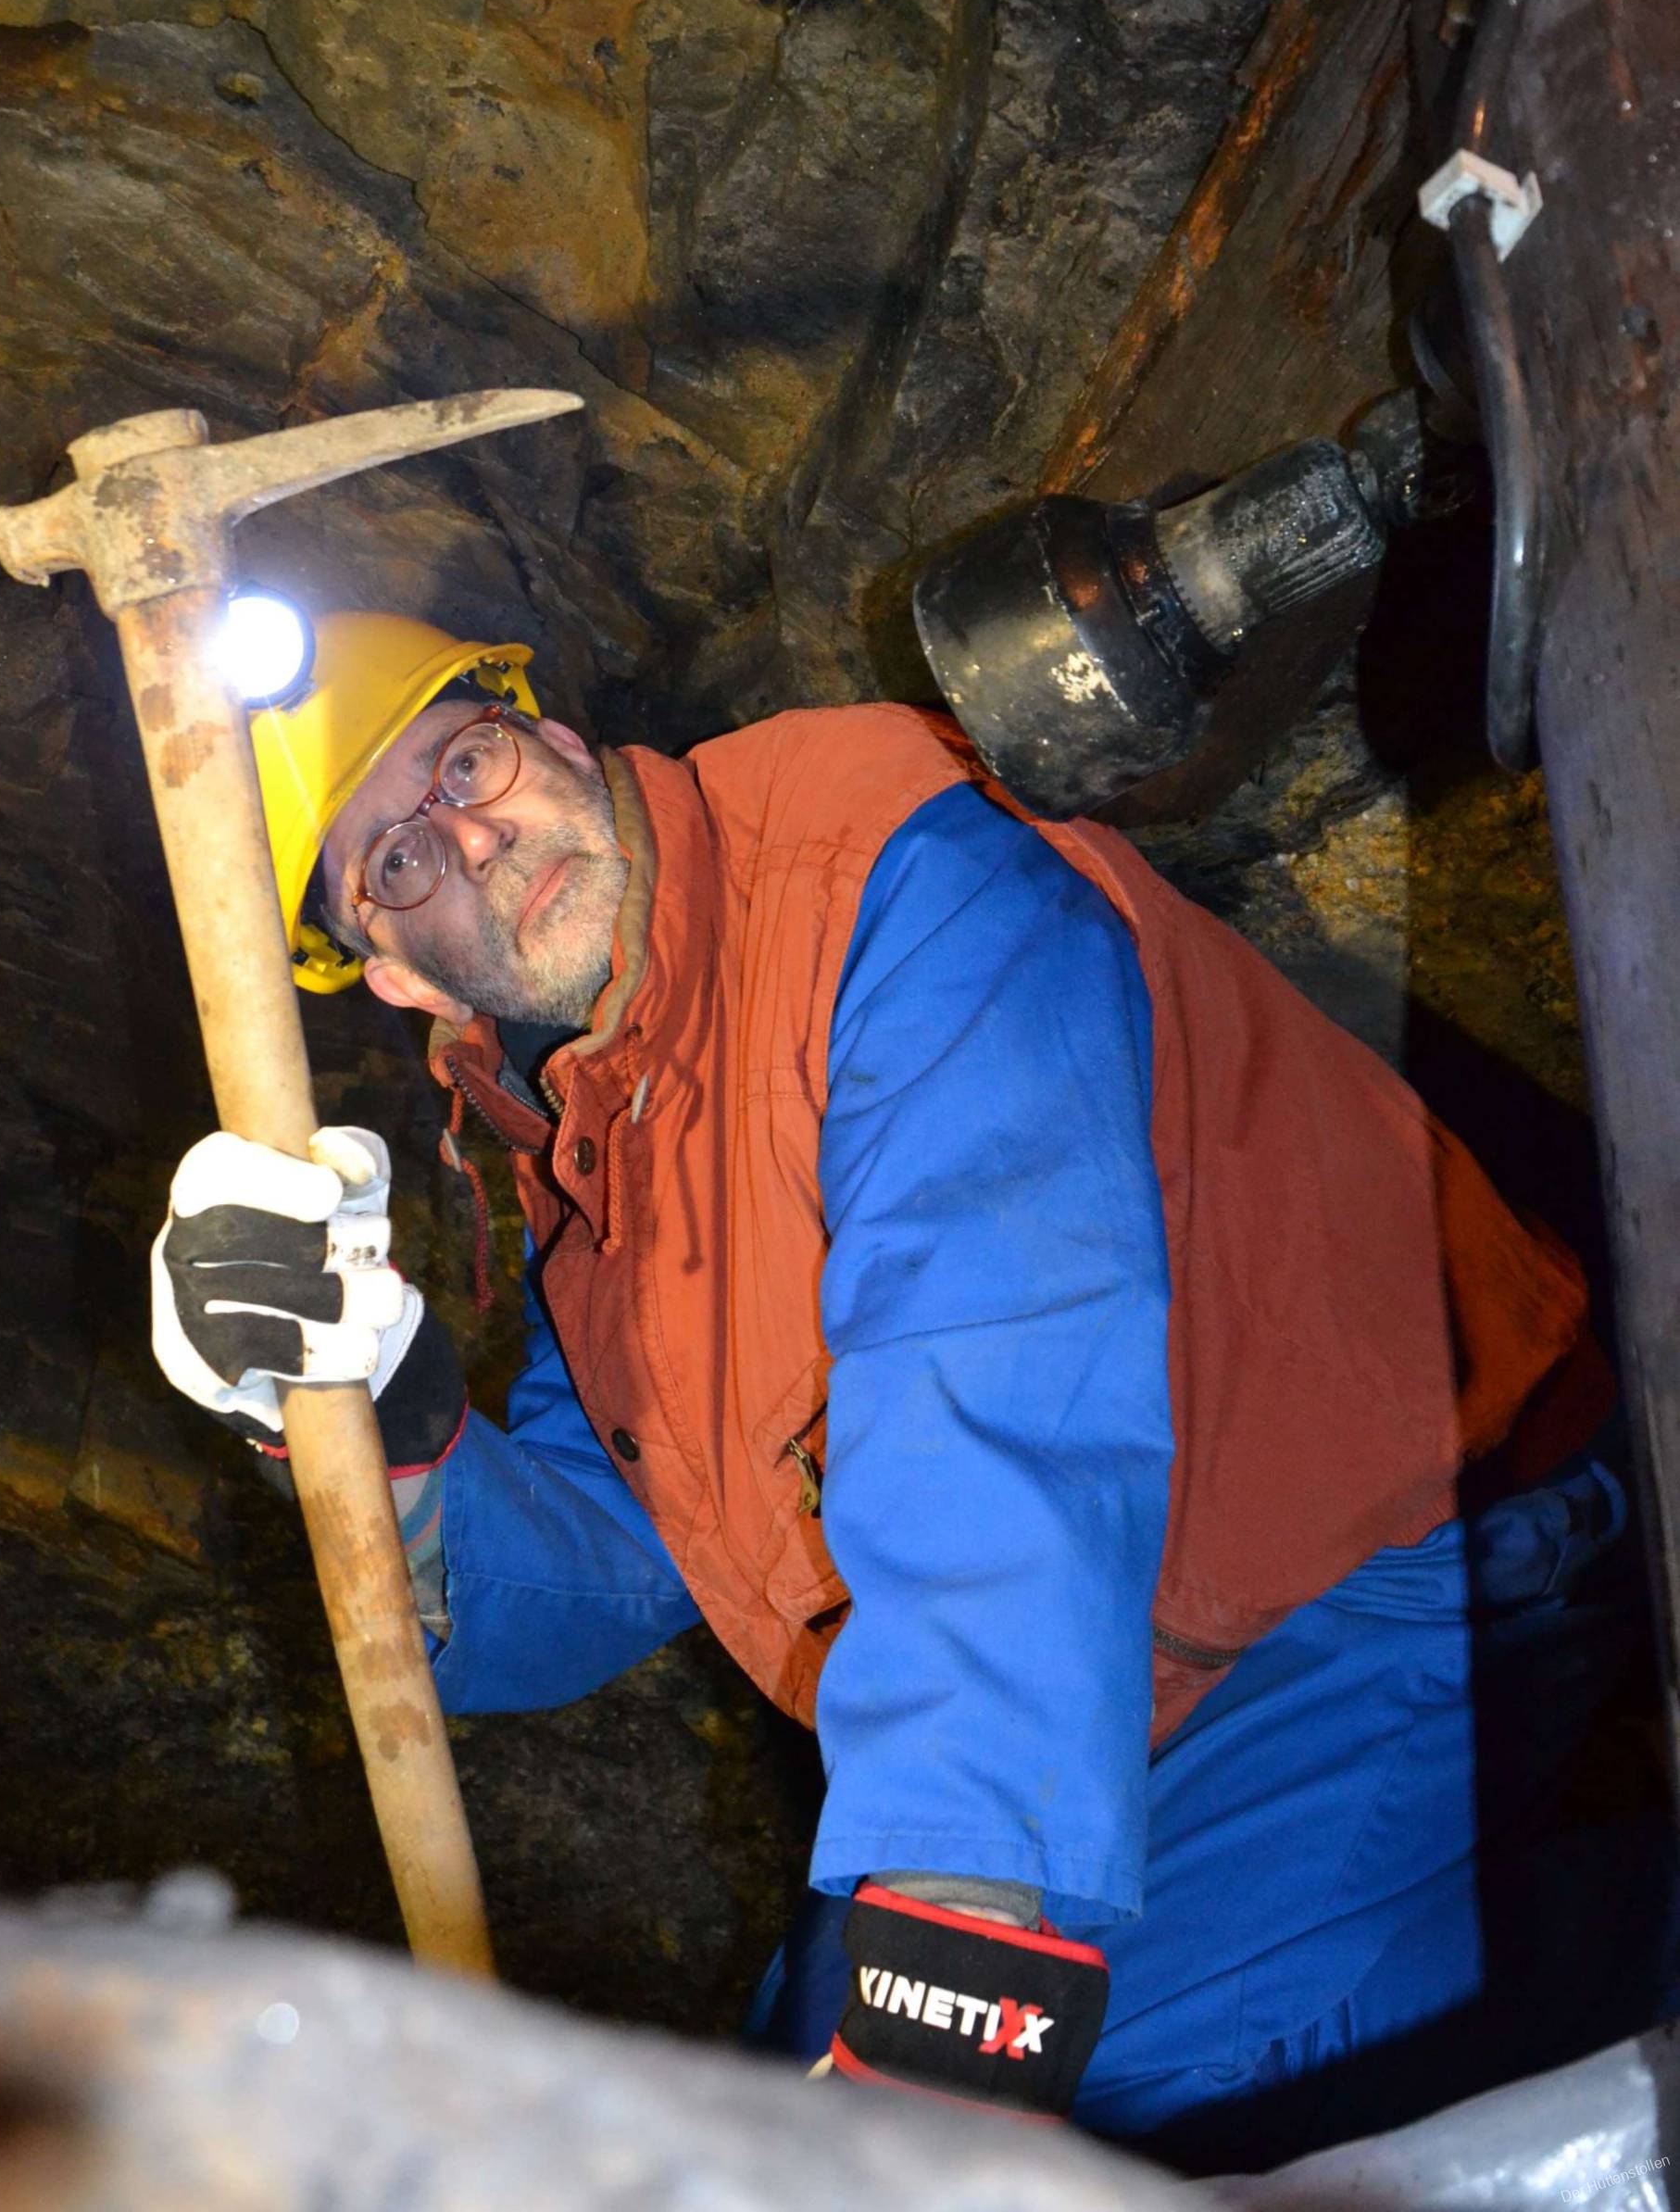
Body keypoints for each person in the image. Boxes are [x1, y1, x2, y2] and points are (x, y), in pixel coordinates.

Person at [152, 611, 1671, 2164]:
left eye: (465, 764)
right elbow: (617, 1554)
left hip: (1405, 1551)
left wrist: (959, 1940)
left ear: (546, 734)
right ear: (398, 978)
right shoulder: (591, 1114)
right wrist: (384, 1432)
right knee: (784, 2105)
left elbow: (998, 1381)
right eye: (399, 863)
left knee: (1113, 2114)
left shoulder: (883, 867)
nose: (473, 841)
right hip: (1129, 1649)